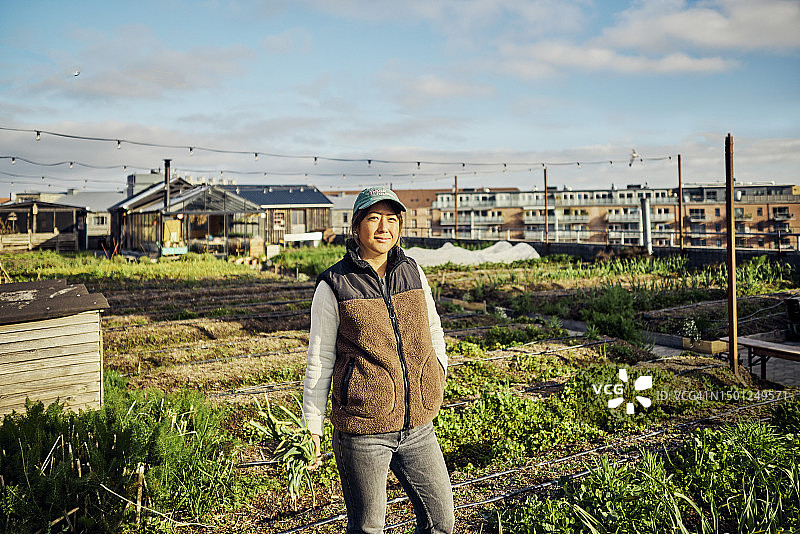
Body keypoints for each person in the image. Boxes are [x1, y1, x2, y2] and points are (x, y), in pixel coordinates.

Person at [302, 186, 454, 534]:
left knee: (441, 522)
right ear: (356, 227)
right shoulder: (334, 285)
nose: (383, 228)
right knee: (369, 528)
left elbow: (434, 330)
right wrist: (313, 423)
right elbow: (320, 358)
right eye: (373, 219)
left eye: (391, 219)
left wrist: (436, 373)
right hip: (362, 430)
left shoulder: (413, 272)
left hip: (418, 425)